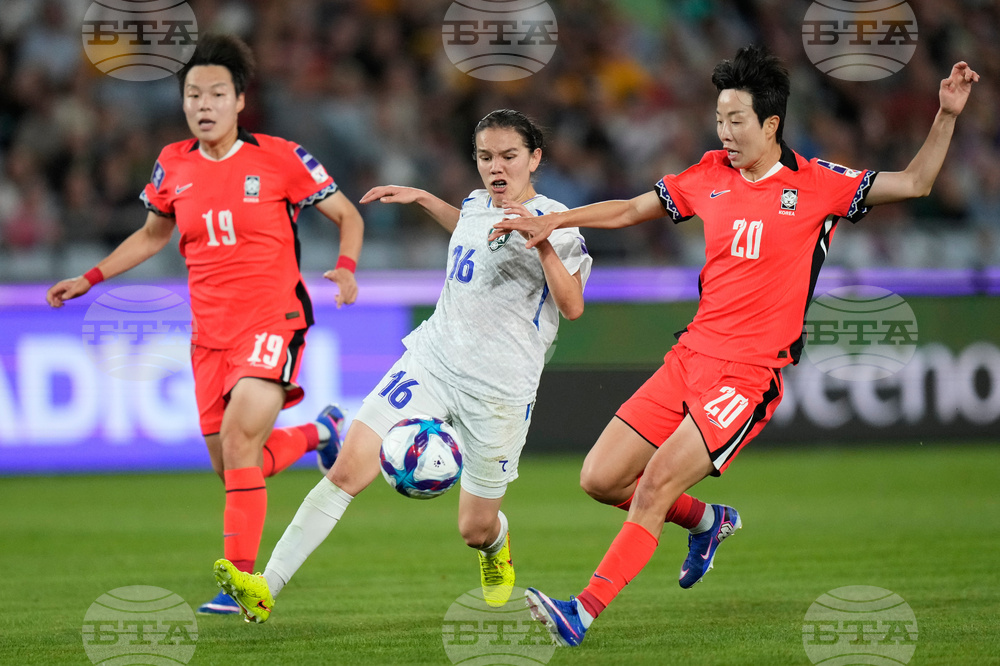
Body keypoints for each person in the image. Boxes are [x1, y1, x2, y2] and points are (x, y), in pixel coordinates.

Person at [487, 46, 979, 647]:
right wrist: (554, 222)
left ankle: (581, 611)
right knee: (599, 478)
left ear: (770, 124)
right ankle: (709, 522)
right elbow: (633, 208)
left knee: (654, 484)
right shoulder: (710, 172)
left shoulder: (819, 184)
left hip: (747, 374)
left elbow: (918, 182)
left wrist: (946, 115)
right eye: (720, 119)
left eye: (736, 120)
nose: (725, 131)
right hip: (690, 356)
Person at [211, 108, 593, 623]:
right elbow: (470, 229)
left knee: (473, 528)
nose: (495, 167)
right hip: (432, 362)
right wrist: (424, 199)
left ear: (535, 158)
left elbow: (572, 306)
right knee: (347, 468)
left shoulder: (558, 223)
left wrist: (542, 239)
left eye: (508, 156)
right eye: (485, 157)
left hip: (499, 392)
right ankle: (265, 585)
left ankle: (495, 544)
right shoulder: (479, 202)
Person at [45, 34, 364, 615]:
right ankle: (323, 433)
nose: (204, 104)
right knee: (232, 464)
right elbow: (151, 236)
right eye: (194, 94)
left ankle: (242, 583)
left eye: (217, 92)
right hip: (208, 334)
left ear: (240, 101)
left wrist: (344, 269)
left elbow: (347, 215)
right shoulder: (172, 164)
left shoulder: (281, 158)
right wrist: (88, 278)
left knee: (242, 443)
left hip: (274, 319)